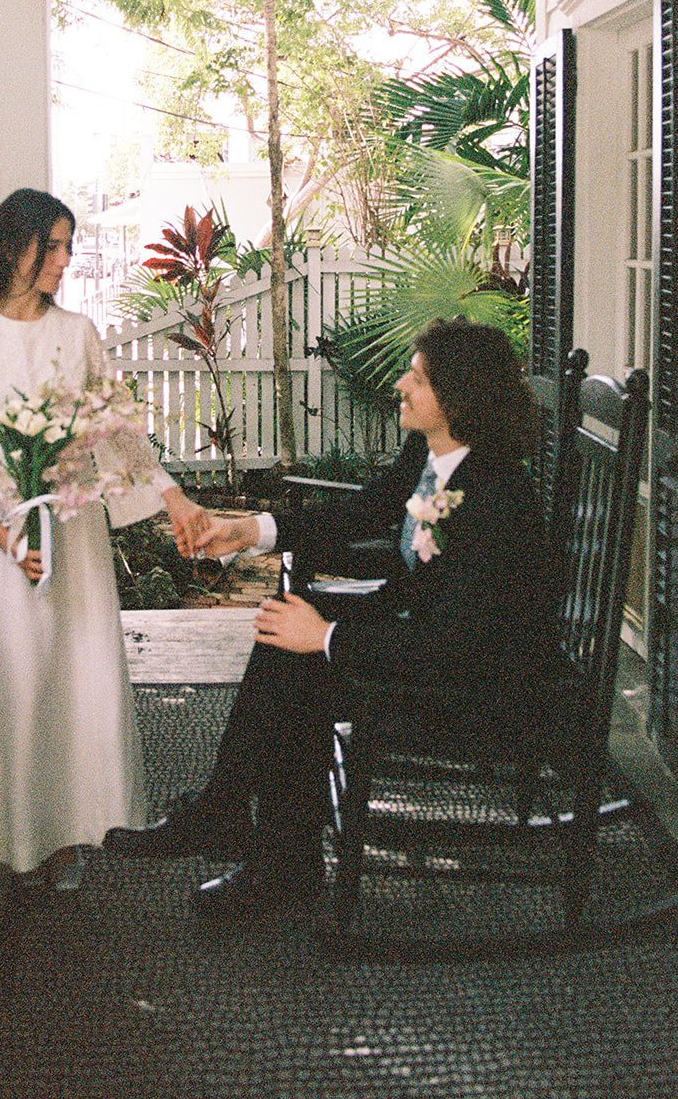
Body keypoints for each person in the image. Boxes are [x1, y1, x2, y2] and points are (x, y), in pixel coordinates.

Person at [104, 317, 553, 919]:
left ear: (457, 399)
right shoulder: (435, 451)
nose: (400, 385)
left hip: (481, 683)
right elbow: (369, 510)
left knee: (304, 658)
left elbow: (458, 641)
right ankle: (237, 819)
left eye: (416, 379)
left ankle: (271, 858)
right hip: (430, 630)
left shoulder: (496, 497)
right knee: (287, 629)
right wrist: (251, 531)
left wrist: (330, 637)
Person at [0, 188, 204, 884]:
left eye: (67, 247)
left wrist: (172, 495)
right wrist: (9, 541)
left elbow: (115, 429)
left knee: (69, 679)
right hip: (4, 544)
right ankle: (13, 835)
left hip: (73, 529)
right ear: (10, 250)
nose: (63, 261)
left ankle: (68, 834)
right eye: (50, 246)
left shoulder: (80, 333)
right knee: (16, 682)